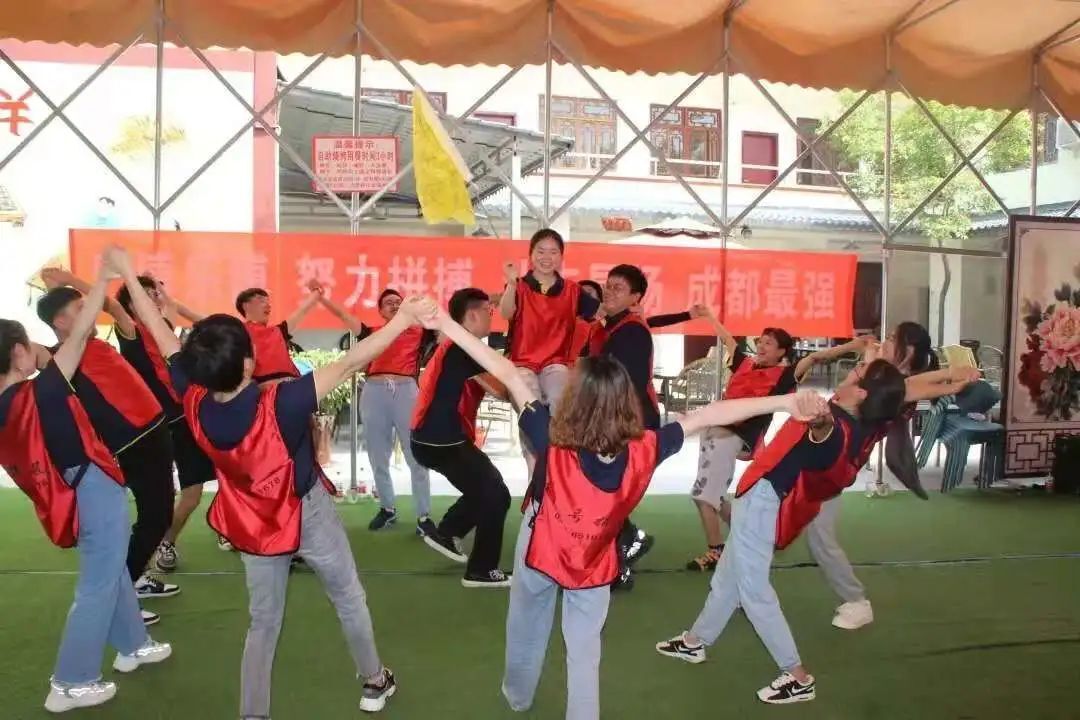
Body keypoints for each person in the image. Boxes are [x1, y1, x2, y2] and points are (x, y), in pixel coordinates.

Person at [430, 301, 827, 719]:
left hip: (540, 546)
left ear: (574, 400)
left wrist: (445, 325)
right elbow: (713, 413)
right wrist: (784, 401)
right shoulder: (646, 448)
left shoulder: (550, 437)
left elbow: (509, 373)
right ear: (625, 403)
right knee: (585, 651)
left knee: (526, 624)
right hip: (595, 559)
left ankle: (518, 695)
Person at [114, 249, 417, 717]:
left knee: (263, 622)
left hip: (249, 522)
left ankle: (253, 713)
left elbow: (160, 333)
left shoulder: (193, 399)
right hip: (307, 511)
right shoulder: (284, 403)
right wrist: (405, 320)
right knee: (348, 597)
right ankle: (375, 680)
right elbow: (353, 360)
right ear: (249, 364)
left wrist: (129, 280)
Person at [656, 359, 909, 705]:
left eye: (857, 372)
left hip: (764, 502)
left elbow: (823, 430)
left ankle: (797, 676)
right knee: (728, 579)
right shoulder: (859, 422)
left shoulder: (838, 427)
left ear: (863, 393)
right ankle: (694, 641)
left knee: (754, 591)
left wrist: (818, 417)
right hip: (761, 498)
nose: (850, 371)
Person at [1, 252, 170, 714]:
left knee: (111, 567)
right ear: (17, 354)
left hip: (68, 490)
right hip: (90, 486)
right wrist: (101, 277)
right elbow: (77, 335)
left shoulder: (12, 402)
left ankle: (134, 645)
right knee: (98, 582)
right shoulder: (45, 390)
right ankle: (71, 682)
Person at [791, 323, 978, 630]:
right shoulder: (881, 372)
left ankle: (856, 601)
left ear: (909, 351)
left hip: (833, 465)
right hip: (818, 453)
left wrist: (953, 380)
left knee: (816, 535)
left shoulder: (894, 387)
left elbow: (915, 384)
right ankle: (744, 584)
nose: (885, 341)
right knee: (777, 520)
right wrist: (861, 353)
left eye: (893, 339)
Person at [38, 268, 179, 620]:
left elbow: (113, 306)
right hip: (134, 445)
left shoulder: (99, 344)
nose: (90, 311)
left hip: (155, 434)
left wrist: (70, 280)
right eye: (80, 309)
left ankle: (130, 582)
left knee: (155, 516)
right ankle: (120, 595)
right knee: (155, 517)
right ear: (60, 322)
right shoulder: (60, 360)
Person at [110, 274, 216, 573]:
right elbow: (112, 306)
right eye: (145, 295)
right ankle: (135, 569)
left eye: (155, 294)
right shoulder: (129, 329)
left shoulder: (164, 328)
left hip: (183, 419)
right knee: (157, 503)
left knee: (192, 493)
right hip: (152, 428)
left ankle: (167, 542)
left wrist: (161, 292)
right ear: (131, 305)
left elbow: (184, 312)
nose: (154, 299)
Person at [412, 288, 513, 588]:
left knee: (485, 488)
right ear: (472, 315)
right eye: (488, 311)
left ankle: (447, 532)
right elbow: (503, 390)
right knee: (496, 494)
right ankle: (481, 570)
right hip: (442, 442)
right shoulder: (464, 347)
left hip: (434, 439)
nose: (492, 317)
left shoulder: (456, 345)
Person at [319, 288, 437, 534]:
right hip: (374, 392)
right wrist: (321, 298)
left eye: (398, 302)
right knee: (377, 454)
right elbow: (343, 316)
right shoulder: (371, 333)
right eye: (388, 303)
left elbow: (444, 324)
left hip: (406, 391)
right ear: (381, 311)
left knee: (416, 455)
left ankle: (424, 516)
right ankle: (387, 508)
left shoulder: (422, 332)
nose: (394, 305)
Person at [687, 325, 798, 572]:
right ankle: (755, 536)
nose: (761, 346)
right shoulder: (746, 364)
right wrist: (708, 317)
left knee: (703, 496)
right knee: (713, 497)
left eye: (769, 343)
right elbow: (728, 339)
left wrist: (852, 347)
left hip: (733, 436)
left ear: (782, 352)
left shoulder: (783, 376)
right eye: (761, 341)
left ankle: (717, 550)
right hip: (714, 431)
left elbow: (816, 358)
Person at [582, 264, 661, 590]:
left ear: (635, 298)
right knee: (605, 493)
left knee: (608, 494)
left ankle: (617, 566)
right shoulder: (608, 327)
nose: (609, 291)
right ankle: (628, 543)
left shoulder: (631, 331)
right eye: (608, 285)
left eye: (618, 288)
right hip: (612, 420)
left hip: (629, 423)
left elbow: (627, 383)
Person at [499, 229, 601, 475]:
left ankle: (563, 463)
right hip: (523, 364)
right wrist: (511, 284)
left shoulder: (573, 291)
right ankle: (535, 467)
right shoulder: (519, 286)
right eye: (541, 251)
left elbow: (603, 313)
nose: (547, 257)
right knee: (530, 410)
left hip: (555, 363)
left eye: (553, 252)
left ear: (561, 257)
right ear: (531, 255)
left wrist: (636, 313)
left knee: (560, 400)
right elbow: (506, 313)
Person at [234, 283, 323, 384]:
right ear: (246, 306)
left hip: (292, 385)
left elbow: (302, 311)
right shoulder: (237, 333)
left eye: (268, 301)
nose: (268, 305)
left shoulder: (278, 331)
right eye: (261, 300)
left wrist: (316, 292)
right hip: (263, 389)